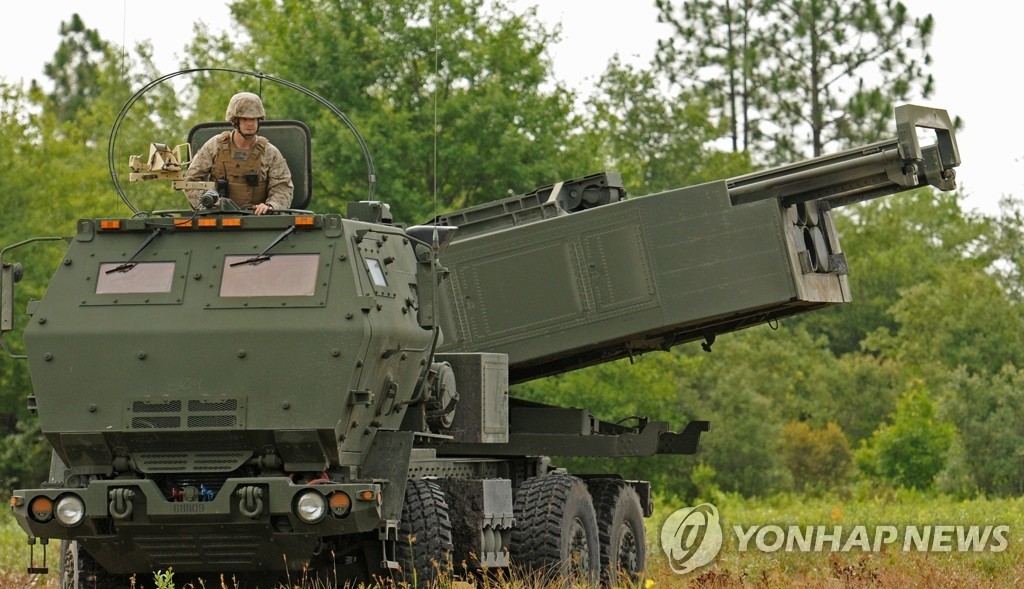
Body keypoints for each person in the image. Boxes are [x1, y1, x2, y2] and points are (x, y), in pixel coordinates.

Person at [185, 92, 293, 214]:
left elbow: (283, 186)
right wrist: (207, 201)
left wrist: (271, 206)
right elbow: (191, 180)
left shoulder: (269, 152)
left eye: (254, 119)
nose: (250, 123)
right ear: (234, 121)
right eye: (245, 119)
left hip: (256, 220)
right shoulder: (215, 146)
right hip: (217, 218)